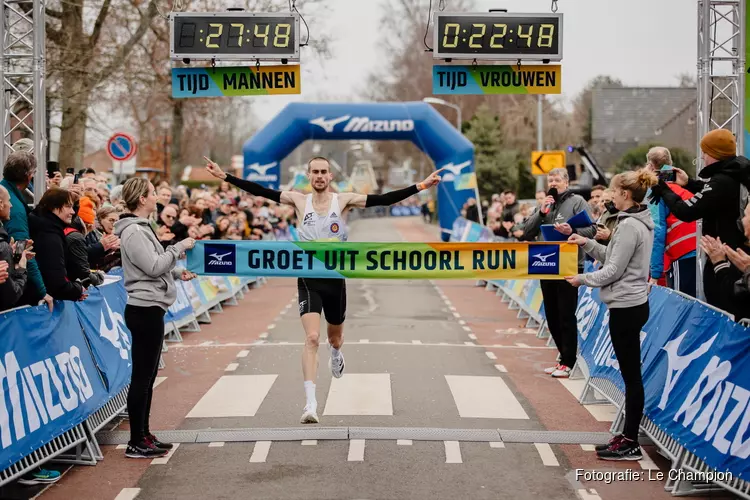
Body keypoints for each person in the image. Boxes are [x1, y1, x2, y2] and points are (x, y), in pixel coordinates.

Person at [205, 156, 444, 424]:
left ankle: (336, 353)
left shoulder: (343, 201)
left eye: (324, 172)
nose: (319, 176)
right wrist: (225, 176)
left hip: (334, 278)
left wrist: (421, 186)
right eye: (315, 172)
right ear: (309, 175)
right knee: (311, 338)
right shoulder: (298, 200)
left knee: (335, 339)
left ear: (330, 177)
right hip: (308, 277)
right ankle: (310, 404)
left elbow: (383, 199)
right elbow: (261, 191)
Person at [565, 168, 657, 461]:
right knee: (630, 375)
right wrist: (588, 244)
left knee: (631, 377)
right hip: (629, 304)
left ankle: (630, 440)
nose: (610, 196)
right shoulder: (632, 222)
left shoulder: (630, 226)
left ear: (625, 195)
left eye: (614, 192)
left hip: (627, 307)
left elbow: (614, 270)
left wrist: (582, 280)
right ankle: (628, 435)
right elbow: (611, 258)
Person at [115, 178, 197, 459]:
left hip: (150, 307)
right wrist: (179, 248)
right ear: (141, 200)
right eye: (152, 194)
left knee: (148, 376)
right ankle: (136, 439)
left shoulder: (140, 228)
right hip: (144, 309)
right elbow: (152, 266)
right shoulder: (135, 232)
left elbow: (153, 264)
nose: (157, 198)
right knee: (142, 377)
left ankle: (144, 434)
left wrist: (176, 272)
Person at [650, 129, 750, 318]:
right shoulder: (736, 173)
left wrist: (664, 189)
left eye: (704, 152)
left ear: (713, 154)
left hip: (724, 255)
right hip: (736, 252)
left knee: (721, 310)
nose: (702, 156)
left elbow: (686, 212)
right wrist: (688, 183)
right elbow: (713, 195)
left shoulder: (722, 181)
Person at [521, 168, 597, 378]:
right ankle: (562, 358)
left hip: (569, 264)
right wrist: (542, 212)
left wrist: (570, 231)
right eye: (550, 180)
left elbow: (592, 230)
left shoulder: (577, 201)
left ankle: (569, 361)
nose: (553, 183)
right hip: (545, 263)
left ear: (566, 182)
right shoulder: (545, 203)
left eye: (557, 180)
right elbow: (527, 232)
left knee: (565, 314)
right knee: (551, 314)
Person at [0, 151, 53, 309]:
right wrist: (42, 291)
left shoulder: (7, 193)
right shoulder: (13, 207)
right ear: (29, 175)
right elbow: (22, 247)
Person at [28, 188, 89, 301]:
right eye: (68, 206)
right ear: (54, 207)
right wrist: (77, 289)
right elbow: (56, 283)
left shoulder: (47, 226)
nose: (73, 212)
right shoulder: (50, 235)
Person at [0, 185, 32, 311]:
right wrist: (21, 268)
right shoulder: (2, 247)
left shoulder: (4, 246)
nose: (11, 206)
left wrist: (12, 257)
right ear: (1, 204)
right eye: (9, 201)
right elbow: (11, 295)